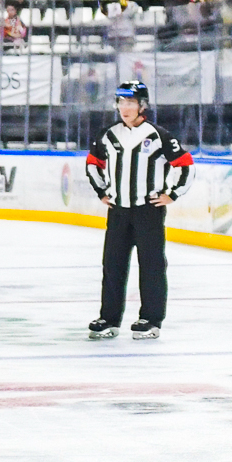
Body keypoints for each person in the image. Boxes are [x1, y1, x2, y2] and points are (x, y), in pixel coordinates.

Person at [84, 81, 196, 341]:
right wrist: (102, 191)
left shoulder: (158, 135)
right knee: (112, 265)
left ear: (142, 106)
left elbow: (186, 165)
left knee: (152, 266)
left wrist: (172, 194)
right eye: (121, 102)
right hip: (118, 211)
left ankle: (151, 319)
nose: (125, 108)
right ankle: (109, 319)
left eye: (131, 103)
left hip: (148, 211)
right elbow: (92, 163)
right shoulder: (109, 134)